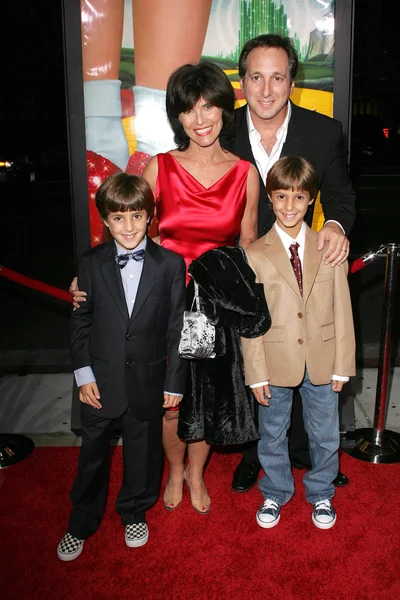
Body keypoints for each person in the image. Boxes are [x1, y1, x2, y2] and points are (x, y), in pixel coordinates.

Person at [230, 34, 356, 493]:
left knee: (306, 355)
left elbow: (341, 194)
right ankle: (252, 459)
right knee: (252, 365)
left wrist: (337, 225)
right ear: (242, 81)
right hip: (244, 270)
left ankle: (310, 455)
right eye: (256, 77)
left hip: (301, 266)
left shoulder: (323, 133)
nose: (266, 89)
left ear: (292, 81)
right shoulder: (218, 133)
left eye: (277, 77)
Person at [142, 61, 259, 514]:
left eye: (209, 106)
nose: (201, 118)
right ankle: (174, 470)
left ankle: (196, 472)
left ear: (224, 110)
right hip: (166, 302)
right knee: (171, 401)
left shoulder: (244, 173)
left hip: (211, 307)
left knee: (204, 399)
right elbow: (137, 238)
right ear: (178, 116)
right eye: (189, 109)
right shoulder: (160, 168)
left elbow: (246, 244)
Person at [57, 173, 187, 561]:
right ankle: (80, 522)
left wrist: (174, 380)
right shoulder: (91, 264)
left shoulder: (170, 265)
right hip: (99, 381)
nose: (128, 227)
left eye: (136, 217)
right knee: (91, 456)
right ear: (105, 221)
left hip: (148, 380)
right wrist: (83, 375)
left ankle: (134, 510)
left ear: (150, 217)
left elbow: (176, 326)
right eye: (118, 218)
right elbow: (80, 324)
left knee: (143, 454)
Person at [241, 155, 355, 530]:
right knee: (271, 433)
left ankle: (321, 490)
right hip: (275, 362)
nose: (290, 206)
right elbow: (251, 319)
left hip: (323, 360)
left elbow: (342, 308)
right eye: (281, 197)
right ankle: (275, 490)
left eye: (299, 197)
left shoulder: (329, 248)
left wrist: (343, 364)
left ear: (312, 200)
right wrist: (255, 374)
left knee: (324, 434)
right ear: (270, 200)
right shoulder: (255, 253)